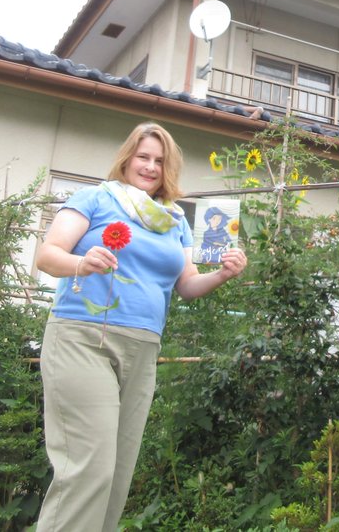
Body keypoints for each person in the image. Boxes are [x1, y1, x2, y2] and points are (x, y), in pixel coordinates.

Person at [34, 122, 247, 531]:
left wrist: (222, 275)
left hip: (143, 348)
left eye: (159, 161)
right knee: (89, 466)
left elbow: (186, 284)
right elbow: (48, 255)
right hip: (83, 339)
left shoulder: (174, 220)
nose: (150, 167)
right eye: (143, 156)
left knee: (116, 474)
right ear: (127, 157)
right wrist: (82, 261)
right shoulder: (94, 198)